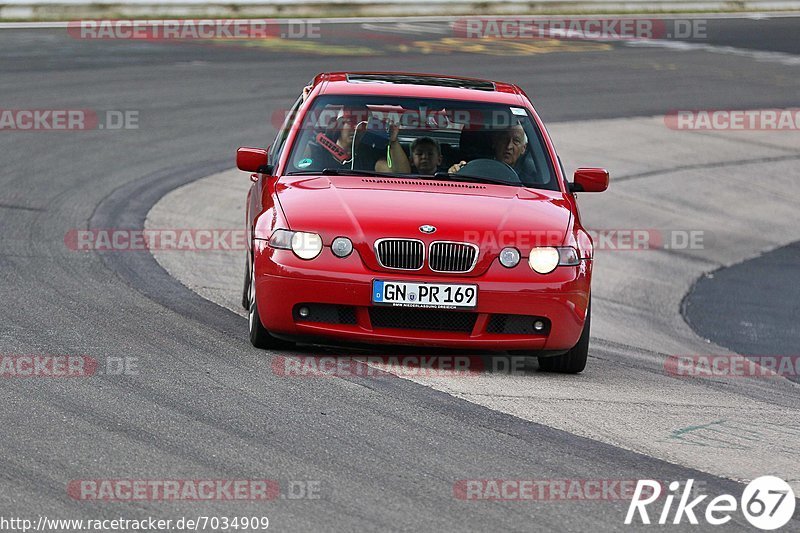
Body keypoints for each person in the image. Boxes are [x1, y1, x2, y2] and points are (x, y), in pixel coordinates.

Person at [448, 122, 528, 174]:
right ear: (495, 142)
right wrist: (453, 176)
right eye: (504, 139)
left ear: (524, 148)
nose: (509, 146)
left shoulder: (531, 178)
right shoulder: (472, 169)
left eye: (516, 141)